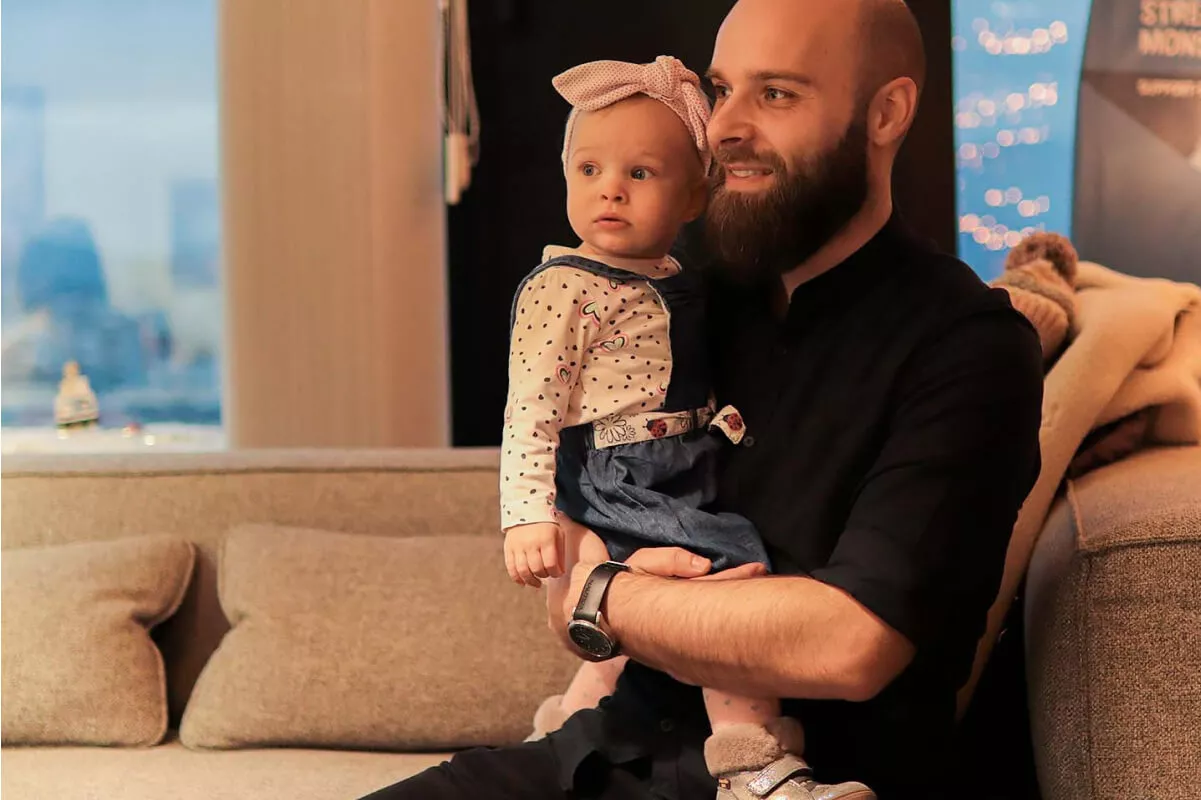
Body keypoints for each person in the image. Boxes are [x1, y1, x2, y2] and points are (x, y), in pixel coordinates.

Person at [361, 0, 1044, 797]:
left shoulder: (967, 345)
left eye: (776, 94)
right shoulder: (678, 290)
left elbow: (846, 647)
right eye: (721, 90)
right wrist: (587, 583)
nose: (723, 128)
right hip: (596, 752)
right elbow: (565, 544)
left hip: (797, 780)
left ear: (885, 112)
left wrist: (602, 592)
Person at [498, 54, 872, 799]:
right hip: (617, 475)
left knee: (640, 623)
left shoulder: (678, 279)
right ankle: (751, 766)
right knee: (727, 577)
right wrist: (526, 516)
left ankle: (564, 735)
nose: (610, 189)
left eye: (640, 173)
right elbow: (530, 410)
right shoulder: (562, 287)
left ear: (696, 194)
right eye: (589, 170)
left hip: (683, 460)